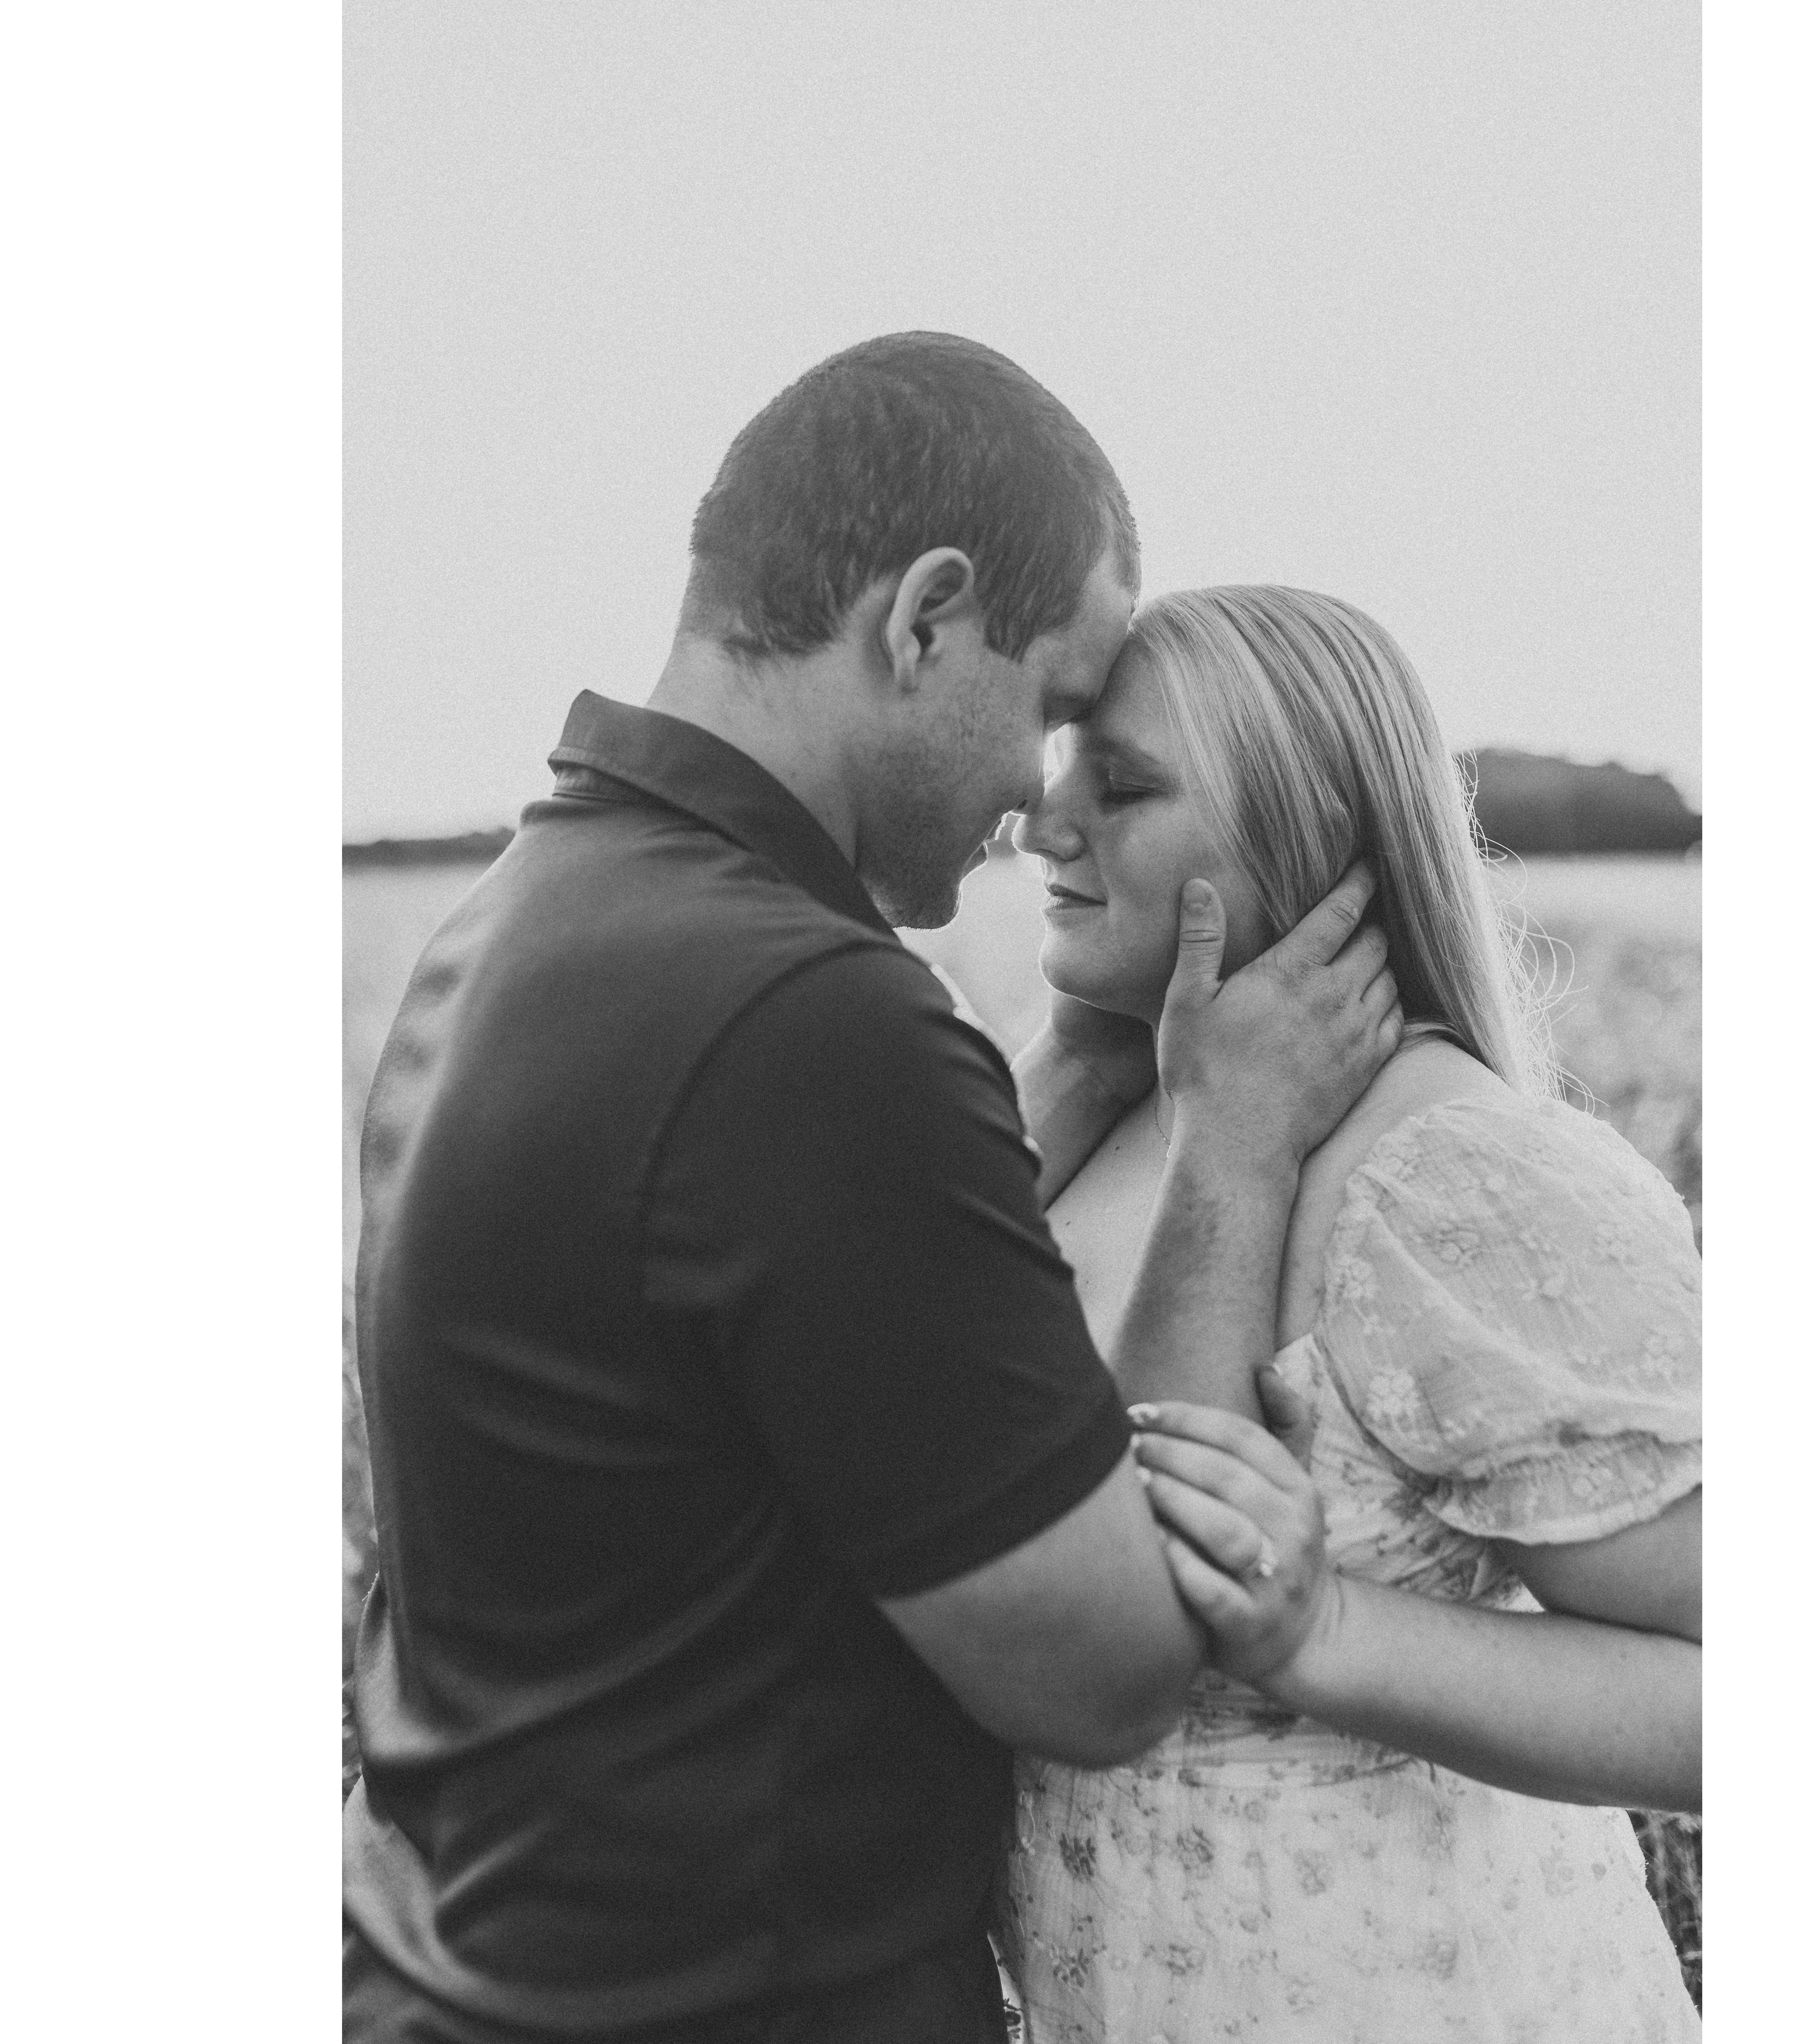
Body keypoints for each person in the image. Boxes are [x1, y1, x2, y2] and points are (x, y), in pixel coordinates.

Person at [342, 339, 1406, 2044]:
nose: (1037, 801)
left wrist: (1079, 1070)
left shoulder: (521, 923)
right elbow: (1108, 1670)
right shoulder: (813, 1022)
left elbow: (800, 1328)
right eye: (1051, 708)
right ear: (926, 618)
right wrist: (1234, 1152)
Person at [1001, 585, 1702, 2040]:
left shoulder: (1453, 1181)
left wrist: (1329, 1630)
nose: (1039, 824)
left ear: (1301, 836)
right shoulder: (1114, 1111)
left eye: (1119, 788)